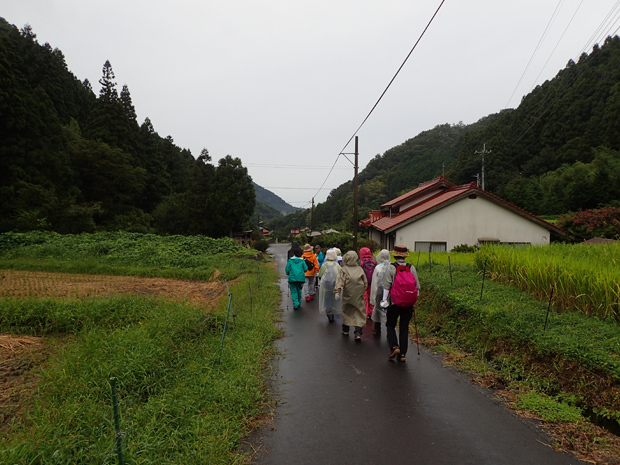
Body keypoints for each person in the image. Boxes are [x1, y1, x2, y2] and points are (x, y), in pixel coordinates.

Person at [380, 244, 420, 362]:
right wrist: (412, 300)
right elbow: (417, 286)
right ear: (405, 256)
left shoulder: (391, 267)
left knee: (390, 325)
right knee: (404, 327)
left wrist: (384, 300)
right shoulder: (411, 267)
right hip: (408, 303)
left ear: (395, 255)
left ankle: (394, 346)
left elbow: (387, 285)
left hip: (394, 302)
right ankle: (403, 354)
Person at [334, 250, 367, 341]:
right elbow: (365, 282)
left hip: (347, 294)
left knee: (347, 311)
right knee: (359, 312)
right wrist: (362, 290)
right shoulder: (360, 269)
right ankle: (358, 332)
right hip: (358, 294)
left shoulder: (344, 269)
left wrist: (337, 291)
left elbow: (339, 281)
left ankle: (345, 329)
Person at [370, 249, 391, 336]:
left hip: (379, 291)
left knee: (378, 308)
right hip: (389, 292)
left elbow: (374, 283)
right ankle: (389, 329)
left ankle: (377, 327)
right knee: (389, 310)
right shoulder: (392, 266)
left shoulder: (377, 267)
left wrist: (373, 296)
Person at [318, 248, 342, 322]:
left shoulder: (324, 265)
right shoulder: (337, 265)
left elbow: (320, 275)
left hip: (326, 287)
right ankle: (333, 312)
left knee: (327, 300)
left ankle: (329, 314)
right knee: (333, 301)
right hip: (335, 287)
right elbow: (340, 275)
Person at [359, 247, 376, 320]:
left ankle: (364, 314)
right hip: (372, 282)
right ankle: (371, 313)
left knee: (364, 298)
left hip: (363, 282)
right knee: (371, 298)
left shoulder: (360, 261)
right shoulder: (373, 261)